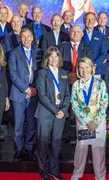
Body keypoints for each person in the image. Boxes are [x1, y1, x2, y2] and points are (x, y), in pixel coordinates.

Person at [70, 57, 108, 180]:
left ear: (92, 68)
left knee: (98, 150)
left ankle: (100, 176)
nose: (84, 70)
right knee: (81, 148)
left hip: (98, 123)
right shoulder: (76, 84)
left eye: (87, 67)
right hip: (83, 122)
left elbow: (104, 103)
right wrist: (87, 121)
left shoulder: (100, 83)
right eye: (81, 67)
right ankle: (77, 174)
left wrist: (95, 122)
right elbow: (74, 104)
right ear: (78, 70)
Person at [35, 47, 70, 180]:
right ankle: (43, 170)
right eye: (51, 56)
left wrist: (64, 110)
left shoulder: (63, 73)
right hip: (45, 112)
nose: (54, 59)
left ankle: (54, 170)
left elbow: (67, 94)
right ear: (47, 58)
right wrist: (56, 111)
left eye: (56, 56)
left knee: (56, 144)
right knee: (43, 143)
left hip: (61, 113)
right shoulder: (42, 73)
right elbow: (42, 96)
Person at [9, 28, 40, 161]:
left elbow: (41, 73)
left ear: (32, 37)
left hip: (34, 93)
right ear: (20, 39)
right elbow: (13, 75)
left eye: (29, 36)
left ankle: (29, 148)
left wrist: (34, 89)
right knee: (19, 124)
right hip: (19, 94)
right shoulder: (14, 53)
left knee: (32, 124)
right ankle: (19, 149)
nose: (27, 39)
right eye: (24, 37)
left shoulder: (39, 53)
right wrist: (26, 89)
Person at [81, 12, 107, 78]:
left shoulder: (101, 36)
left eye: (92, 19)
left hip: (96, 69)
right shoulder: (79, 34)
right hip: (82, 70)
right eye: (88, 19)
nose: (90, 21)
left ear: (95, 21)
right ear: (84, 20)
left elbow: (103, 53)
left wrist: (94, 65)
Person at [96, 12, 109, 86]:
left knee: (105, 83)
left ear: (107, 19)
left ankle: (105, 97)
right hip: (96, 61)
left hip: (107, 62)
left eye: (104, 18)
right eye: (100, 18)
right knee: (96, 83)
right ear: (97, 19)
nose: (102, 20)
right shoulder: (93, 30)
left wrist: (106, 58)